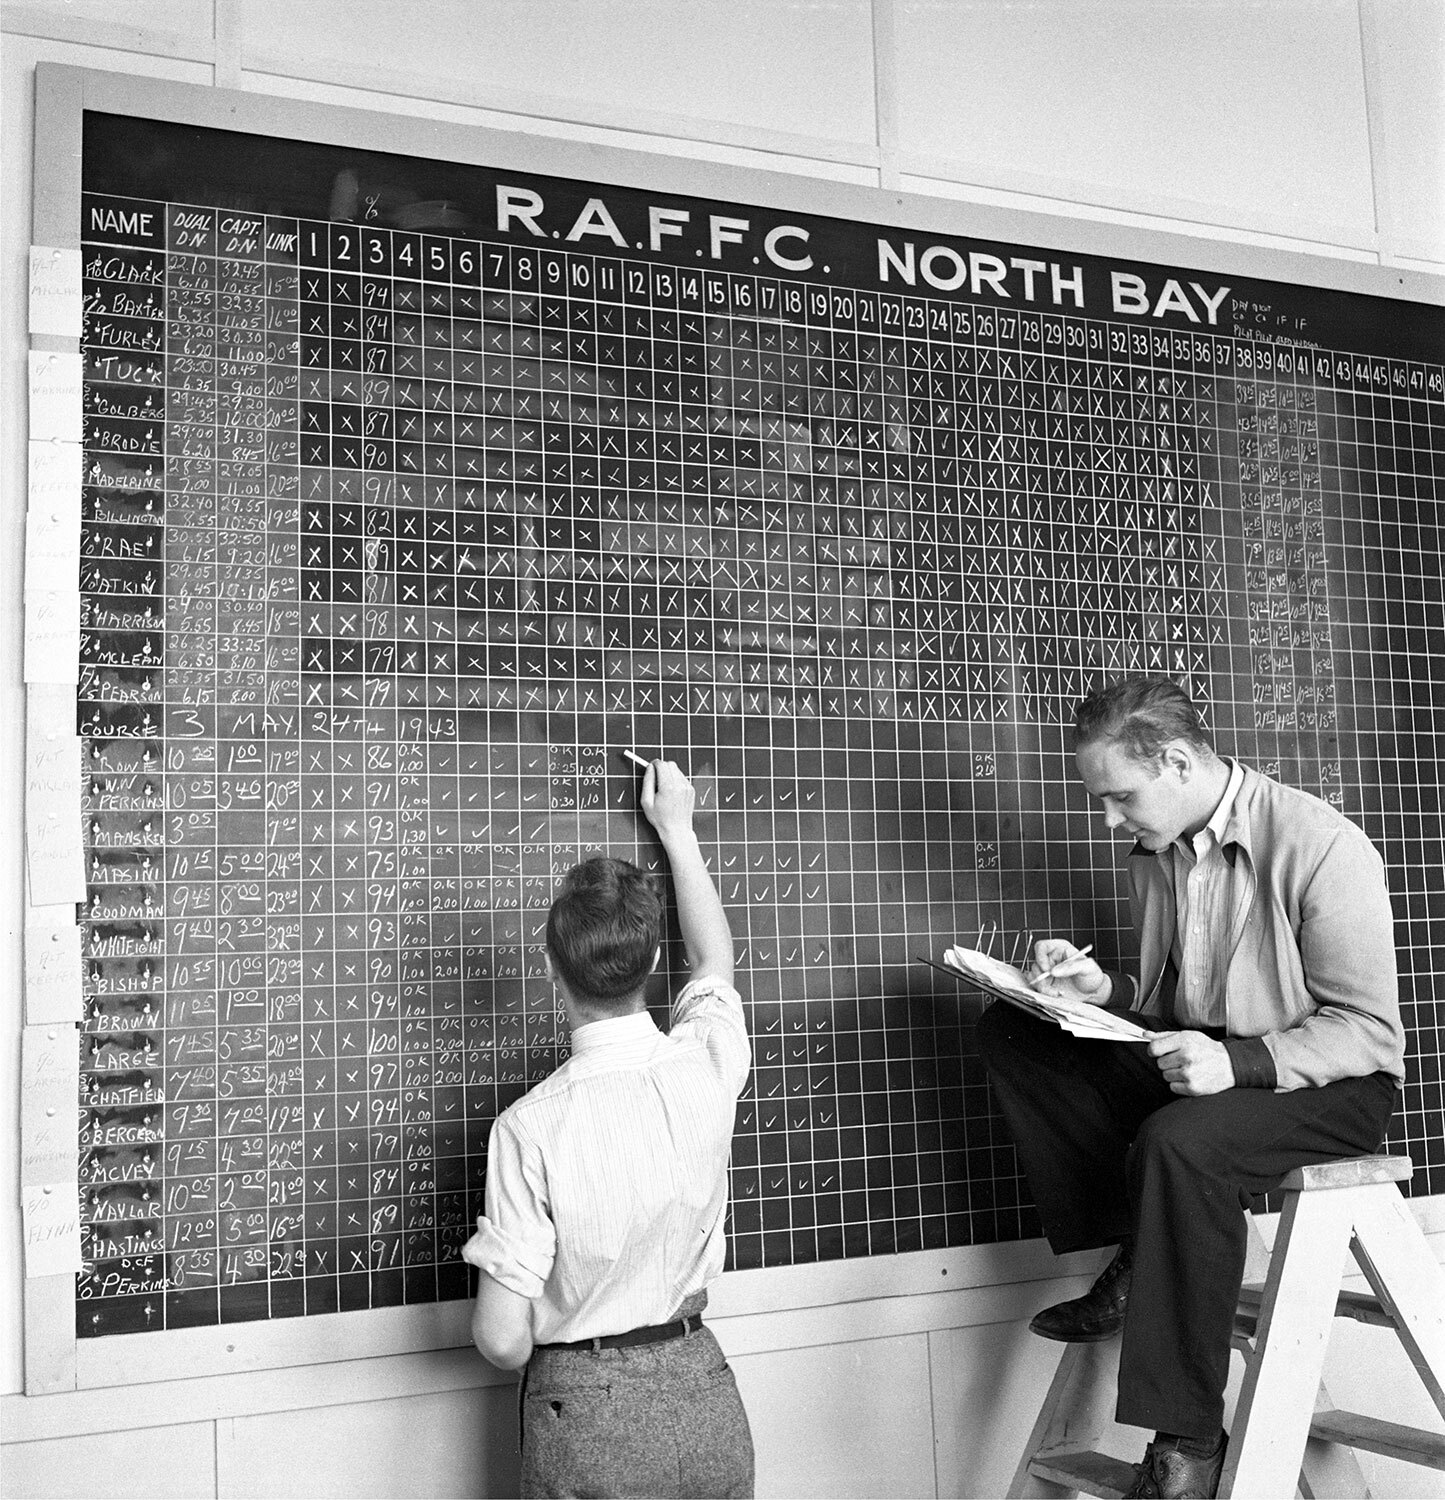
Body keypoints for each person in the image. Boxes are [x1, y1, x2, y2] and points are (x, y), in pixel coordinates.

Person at [976, 676, 1405, 1500]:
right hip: (1216, 1061)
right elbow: (1184, 1008)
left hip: (1333, 1085)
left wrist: (1237, 1065)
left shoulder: (1321, 844)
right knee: (1014, 1031)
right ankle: (1140, 1251)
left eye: (1119, 797)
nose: (1110, 820)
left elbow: (1369, 1033)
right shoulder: (1159, 851)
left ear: (1175, 762)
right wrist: (1103, 995)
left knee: (1179, 1142)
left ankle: (1187, 1447)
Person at [461, 757, 755, 1499]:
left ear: (551, 969)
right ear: (654, 960)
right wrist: (677, 830)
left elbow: (501, 1339)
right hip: (706, 1396)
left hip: (586, 1415)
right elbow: (713, 961)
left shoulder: (528, 1129)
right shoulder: (710, 1063)